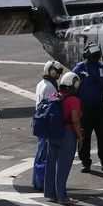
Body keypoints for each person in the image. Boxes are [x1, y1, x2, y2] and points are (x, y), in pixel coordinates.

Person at [44, 72, 83, 205]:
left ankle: (50, 193)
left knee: (51, 164)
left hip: (52, 133)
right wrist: (80, 136)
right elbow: (75, 120)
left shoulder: (54, 95)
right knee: (63, 167)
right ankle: (62, 196)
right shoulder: (74, 100)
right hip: (67, 134)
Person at [73, 42, 103, 173]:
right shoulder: (80, 68)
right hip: (85, 109)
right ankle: (85, 162)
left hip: (100, 108)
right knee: (84, 137)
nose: (94, 58)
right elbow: (73, 87)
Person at [33, 60, 64, 190]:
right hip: (46, 123)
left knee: (40, 153)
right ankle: (42, 183)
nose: (58, 75)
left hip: (40, 121)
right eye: (57, 72)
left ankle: (37, 181)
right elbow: (52, 105)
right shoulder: (50, 87)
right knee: (44, 154)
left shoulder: (41, 84)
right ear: (51, 71)